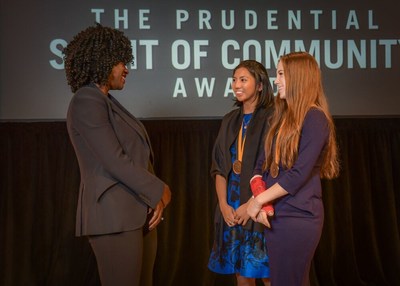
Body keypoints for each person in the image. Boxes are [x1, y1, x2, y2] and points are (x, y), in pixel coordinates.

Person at [63, 23, 171, 286]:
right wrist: (160, 190)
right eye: (121, 61)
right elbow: (114, 160)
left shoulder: (106, 101)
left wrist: (150, 197)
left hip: (134, 214)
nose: (127, 69)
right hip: (113, 218)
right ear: (103, 60)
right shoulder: (86, 100)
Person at [247, 51, 339, 286]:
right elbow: (261, 164)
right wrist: (261, 199)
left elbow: (298, 174)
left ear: (297, 77)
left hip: (299, 218)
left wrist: (258, 202)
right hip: (277, 216)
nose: (276, 80)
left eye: (280, 74)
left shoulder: (315, 118)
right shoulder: (280, 117)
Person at [208, 60, 274, 286]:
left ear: (260, 85)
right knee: (240, 272)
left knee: (266, 272)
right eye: (234, 79)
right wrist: (224, 205)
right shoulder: (229, 120)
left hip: (259, 205)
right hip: (232, 207)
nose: (236, 84)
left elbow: (273, 170)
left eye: (243, 79)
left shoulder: (273, 118)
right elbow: (219, 167)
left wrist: (251, 205)